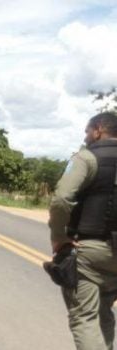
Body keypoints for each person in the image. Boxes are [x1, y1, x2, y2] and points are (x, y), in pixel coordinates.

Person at [49, 111, 117, 350]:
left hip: (89, 249)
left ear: (98, 129)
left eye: (87, 131)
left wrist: (59, 237)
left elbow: (61, 200)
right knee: (104, 310)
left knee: (84, 317)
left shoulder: (86, 158)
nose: (85, 136)